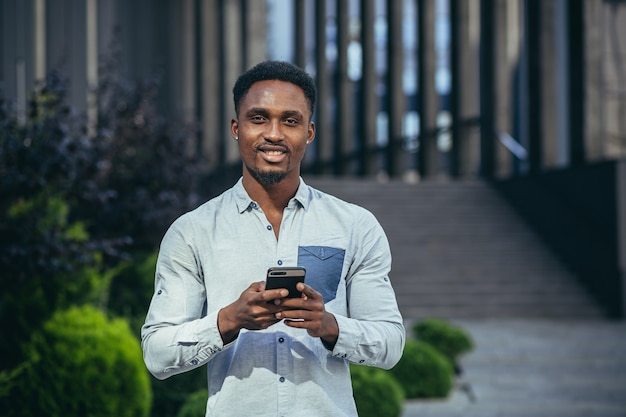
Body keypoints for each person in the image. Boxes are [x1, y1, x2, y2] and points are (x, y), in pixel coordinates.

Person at [141, 60, 405, 416]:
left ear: (309, 133)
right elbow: (157, 353)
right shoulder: (193, 231)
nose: (274, 133)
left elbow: (391, 343)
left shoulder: (356, 226)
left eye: (291, 120)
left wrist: (330, 326)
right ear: (237, 128)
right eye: (259, 118)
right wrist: (229, 320)